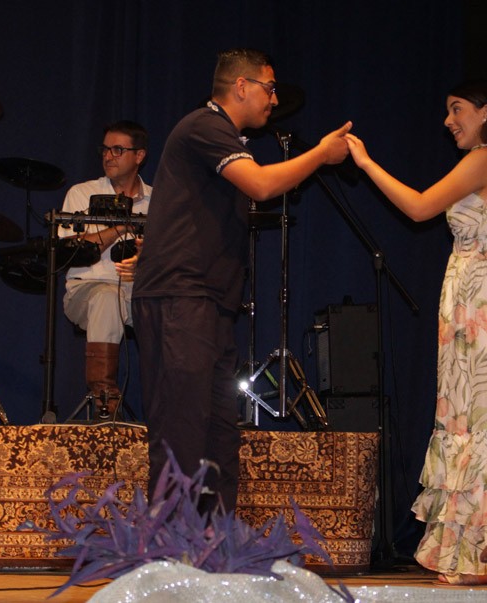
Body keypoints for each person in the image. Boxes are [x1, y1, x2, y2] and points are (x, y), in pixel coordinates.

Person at [346, 81, 487, 585]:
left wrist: (366, 163)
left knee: (486, 418)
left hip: (483, 302)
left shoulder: (485, 157)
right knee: (481, 415)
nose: (449, 120)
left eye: (457, 109)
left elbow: (420, 207)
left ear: (485, 112)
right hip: (486, 299)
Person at [132, 48, 351, 513]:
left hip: (210, 303)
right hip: (181, 298)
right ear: (241, 86)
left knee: (219, 437)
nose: (275, 99)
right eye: (269, 88)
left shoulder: (224, 137)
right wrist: (320, 155)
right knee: (182, 433)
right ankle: (170, 547)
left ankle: (217, 541)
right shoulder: (205, 125)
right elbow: (262, 185)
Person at [60, 120, 150, 420]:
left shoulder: (159, 200)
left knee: (180, 309)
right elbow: (72, 251)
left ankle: (177, 406)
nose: (108, 156)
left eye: (118, 150)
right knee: (106, 296)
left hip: (138, 294)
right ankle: (104, 402)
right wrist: (121, 227)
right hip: (86, 292)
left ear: (139, 156)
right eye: (106, 149)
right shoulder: (82, 193)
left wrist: (145, 262)